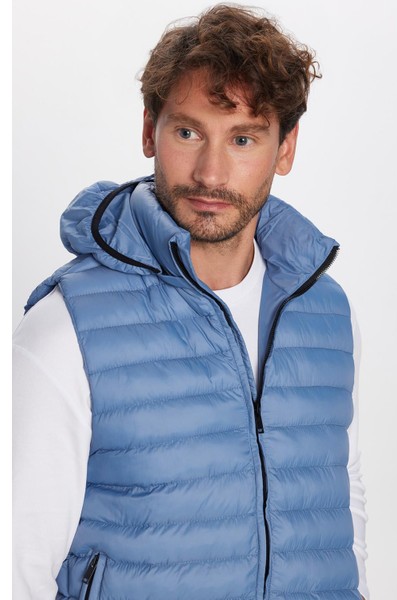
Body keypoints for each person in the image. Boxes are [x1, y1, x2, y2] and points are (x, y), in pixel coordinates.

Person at [13, 4, 369, 599]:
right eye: (188, 132)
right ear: (148, 130)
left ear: (285, 148)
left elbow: (342, 499)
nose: (211, 173)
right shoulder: (67, 327)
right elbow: (15, 562)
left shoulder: (325, 313)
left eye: (243, 139)